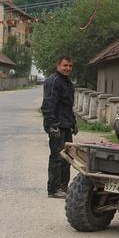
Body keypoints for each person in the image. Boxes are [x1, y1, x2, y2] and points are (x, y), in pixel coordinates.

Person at [41, 56, 77, 198]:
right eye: (65, 65)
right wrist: (52, 126)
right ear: (58, 66)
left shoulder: (67, 83)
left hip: (66, 125)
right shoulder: (53, 81)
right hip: (57, 125)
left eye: (70, 66)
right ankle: (54, 189)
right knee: (57, 157)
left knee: (67, 157)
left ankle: (63, 187)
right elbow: (48, 105)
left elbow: (67, 106)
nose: (68, 68)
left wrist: (73, 122)